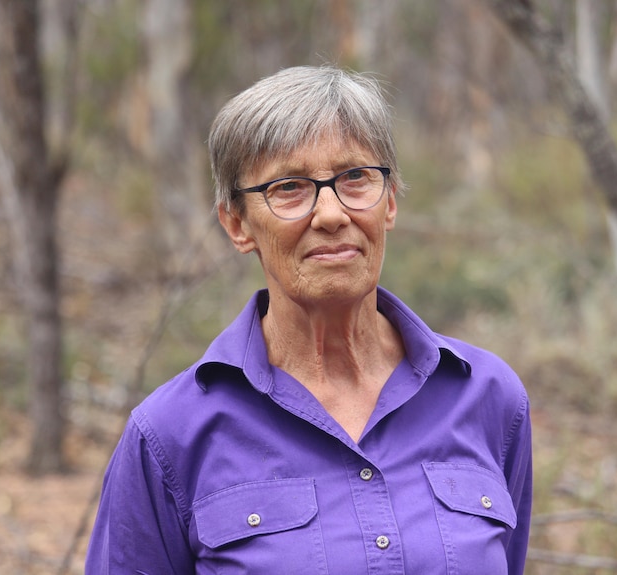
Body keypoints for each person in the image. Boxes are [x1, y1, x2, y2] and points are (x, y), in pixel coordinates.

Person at [86, 65, 532, 575]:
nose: (331, 214)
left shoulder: (489, 398)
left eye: (355, 178)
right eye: (290, 187)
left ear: (389, 201)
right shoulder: (170, 434)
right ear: (237, 223)